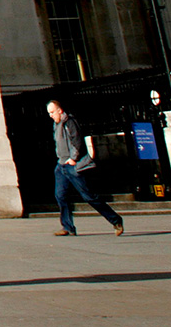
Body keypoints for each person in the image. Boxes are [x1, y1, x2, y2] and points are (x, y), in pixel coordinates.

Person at [48, 100, 123, 237]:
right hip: (61, 165)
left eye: (52, 112)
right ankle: (68, 227)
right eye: (49, 113)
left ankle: (116, 220)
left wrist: (73, 159)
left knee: (88, 196)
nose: (51, 115)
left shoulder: (69, 122)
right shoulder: (56, 124)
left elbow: (77, 141)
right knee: (60, 195)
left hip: (71, 165)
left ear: (60, 110)